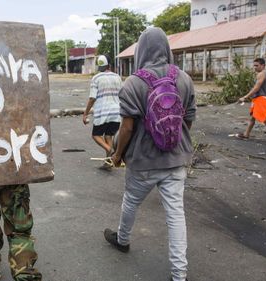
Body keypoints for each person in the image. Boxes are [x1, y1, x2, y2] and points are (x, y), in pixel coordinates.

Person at [105, 27, 196, 281]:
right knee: (176, 215)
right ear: (166, 48)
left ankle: (122, 240)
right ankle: (179, 275)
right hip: (175, 160)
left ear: (141, 50)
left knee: (131, 202)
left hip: (143, 162)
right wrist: (173, 140)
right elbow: (187, 120)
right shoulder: (184, 79)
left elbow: (127, 127)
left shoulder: (134, 82)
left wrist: (117, 154)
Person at [83, 54, 122, 165]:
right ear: (109, 65)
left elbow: (92, 98)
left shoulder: (96, 78)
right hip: (116, 112)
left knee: (96, 135)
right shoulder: (117, 77)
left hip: (102, 113)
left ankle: (110, 150)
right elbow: (122, 94)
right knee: (109, 135)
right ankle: (108, 162)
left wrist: (85, 113)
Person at [236, 58, 266, 143]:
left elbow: (256, 88)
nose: (255, 67)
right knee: (253, 118)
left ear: (263, 65)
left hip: (261, 99)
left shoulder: (261, 74)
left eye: (257, 65)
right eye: (254, 65)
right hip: (261, 99)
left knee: (265, 119)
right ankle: (246, 134)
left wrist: (245, 97)